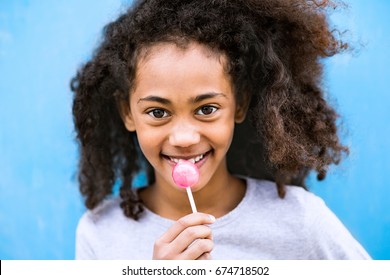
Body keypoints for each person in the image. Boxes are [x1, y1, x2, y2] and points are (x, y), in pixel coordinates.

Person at [71, 0, 370, 260]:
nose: (184, 138)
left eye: (206, 109)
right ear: (128, 113)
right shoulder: (100, 234)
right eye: (158, 112)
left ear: (239, 105)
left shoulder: (301, 221)